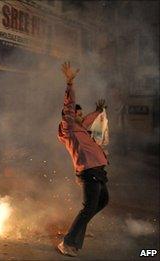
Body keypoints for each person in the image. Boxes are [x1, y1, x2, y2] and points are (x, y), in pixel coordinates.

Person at [57, 62, 109, 257]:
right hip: (89, 172)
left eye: (80, 114)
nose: (80, 116)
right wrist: (70, 83)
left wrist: (97, 110)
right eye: (76, 114)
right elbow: (69, 108)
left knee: (102, 201)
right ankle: (68, 242)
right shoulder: (68, 128)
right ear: (68, 117)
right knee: (89, 207)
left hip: (98, 172)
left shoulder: (81, 128)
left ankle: (78, 229)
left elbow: (87, 120)